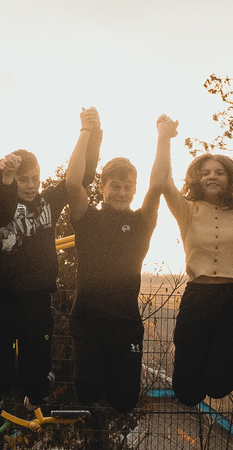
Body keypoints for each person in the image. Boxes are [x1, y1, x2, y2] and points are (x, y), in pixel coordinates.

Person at [0, 113, 99, 421]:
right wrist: (0, 170)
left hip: (36, 299)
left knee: (35, 370)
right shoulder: (0, 203)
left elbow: (82, 177)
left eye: (35, 179)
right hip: (1, 299)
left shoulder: (48, 202)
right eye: (23, 180)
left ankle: (37, 388)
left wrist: (90, 132)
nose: (30, 186)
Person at [148, 117, 233, 408]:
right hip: (197, 299)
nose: (212, 177)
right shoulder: (187, 210)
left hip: (231, 301)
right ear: (196, 179)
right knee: (188, 394)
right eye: (206, 172)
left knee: (218, 387)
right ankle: (196, 354)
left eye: (219, 172)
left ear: (230, 179)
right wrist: (164, 137)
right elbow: (161, 181)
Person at [65, 132, 166, 418]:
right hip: (88, 320)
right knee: (89, 392)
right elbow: (72, 182)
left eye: (127, 187)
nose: (122, 192)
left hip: (125, 323)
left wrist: (163, 137)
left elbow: (158, 185)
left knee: (125, 401)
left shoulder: (142, 221)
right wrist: (85, 132)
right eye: (115, 186)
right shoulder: (87, 218)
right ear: (102, 187)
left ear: (135, 189)